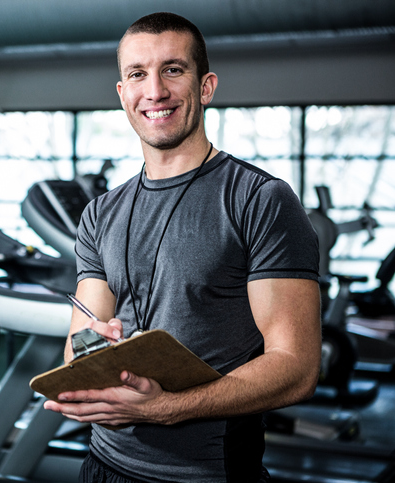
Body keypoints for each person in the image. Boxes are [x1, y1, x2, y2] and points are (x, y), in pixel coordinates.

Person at [43, 12, 322, 483]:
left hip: (210, 473)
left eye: (172, 69)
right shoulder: (100, 213)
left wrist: (169, 409)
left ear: (205, 86)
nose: (154, 91)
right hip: (103, 468)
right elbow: (80, 343)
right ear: (122, 94)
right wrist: (94, 353)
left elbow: (297, 366)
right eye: (138, 74)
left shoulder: (259, 200)